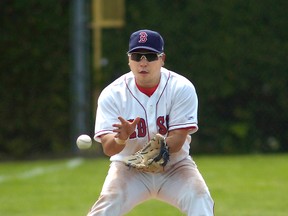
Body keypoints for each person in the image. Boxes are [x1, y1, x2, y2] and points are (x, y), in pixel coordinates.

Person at [87, 29, 214, 216]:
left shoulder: (180, 87)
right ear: (129, 59)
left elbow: (178, 140)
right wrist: (121, 139)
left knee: (199, 196)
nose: (143, 62)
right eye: (137, 56)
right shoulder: (113, 94)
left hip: (175, 167)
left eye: (150, 56)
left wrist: (147, 155)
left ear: (162, 58)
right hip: (128, 169)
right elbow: (108, 148)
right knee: (109, 201)